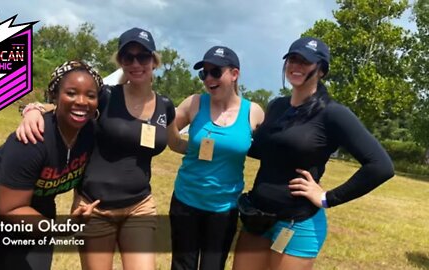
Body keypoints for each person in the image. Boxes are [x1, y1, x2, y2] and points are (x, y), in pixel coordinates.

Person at [16, 27, 185, 270]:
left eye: (143, 57)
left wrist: (218, 148)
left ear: (154, 61)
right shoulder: (105, 95)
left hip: (139, 205)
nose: (136, 63)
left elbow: (176, 142)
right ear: (121, 62)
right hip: (94, 207)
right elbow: (67, 105)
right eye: (129, 57)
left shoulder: (165, 105)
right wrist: (32, 109)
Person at [232, 36, 395, 270]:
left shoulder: (333, 113)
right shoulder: (277, 106)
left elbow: (381, 166)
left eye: (305, 62)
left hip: (296, 224)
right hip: (256, 218)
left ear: (321, 70)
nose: (296, 66)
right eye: (292, 59)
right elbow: (265, 150)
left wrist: (328, 197)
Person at [0, 60, 102, 270]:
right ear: (55, 96)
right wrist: (63, 227)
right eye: (71, 93)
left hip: (37, 202)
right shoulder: (32, 139)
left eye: (90, 95)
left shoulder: (91, 134)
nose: (82, 101)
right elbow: (10, 208)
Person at [169, 46, 264, 270]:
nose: (208, 78)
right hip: (186, 202)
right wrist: (190, 148)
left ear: (234, 74)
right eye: (204, 73)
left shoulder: (254, 112)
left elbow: (273, 150)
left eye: (215, 72)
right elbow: (171, 138)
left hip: (224, 208)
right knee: (182, 266)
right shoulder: (193, 103)